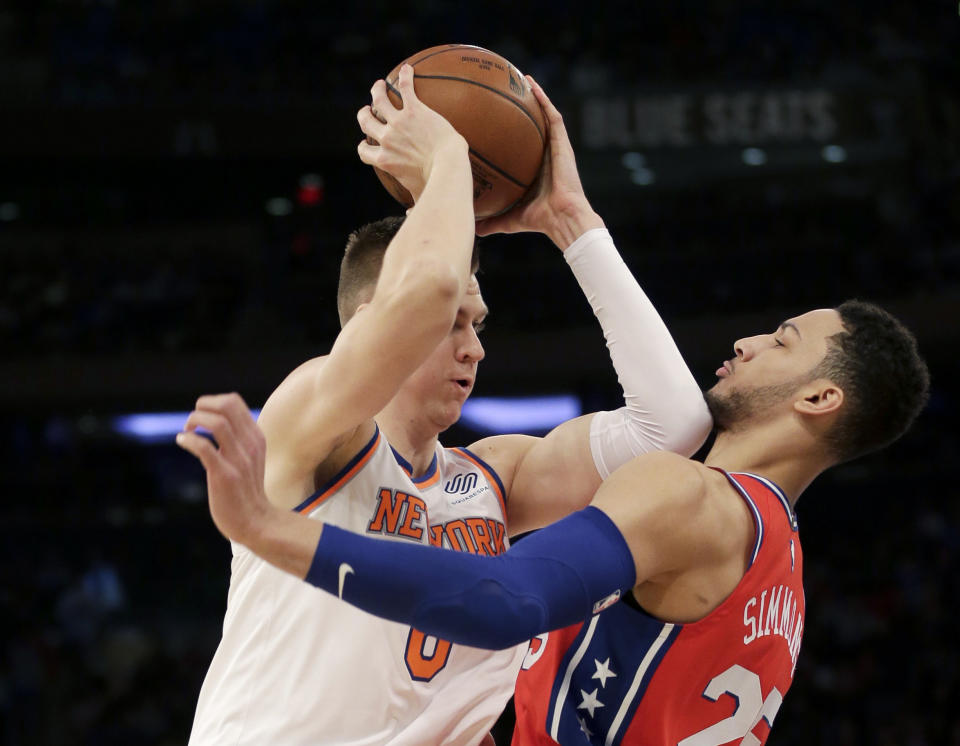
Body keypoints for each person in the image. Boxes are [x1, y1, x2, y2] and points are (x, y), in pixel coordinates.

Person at [181, 65, 711, 745]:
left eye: (479, 325)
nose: (474, 348)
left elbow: (673, 425)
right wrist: (447, 157)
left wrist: (571, 222)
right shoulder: (313, 425)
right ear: (371, 319)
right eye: (459, 324)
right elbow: (427, 290)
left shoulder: (490, 479)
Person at [179, 300, 928, 745]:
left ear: (821, 399)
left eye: (784, 341)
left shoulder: (690, 496)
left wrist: (268, 528)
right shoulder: (783, 573)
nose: (748, 342)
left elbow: (505, 603)